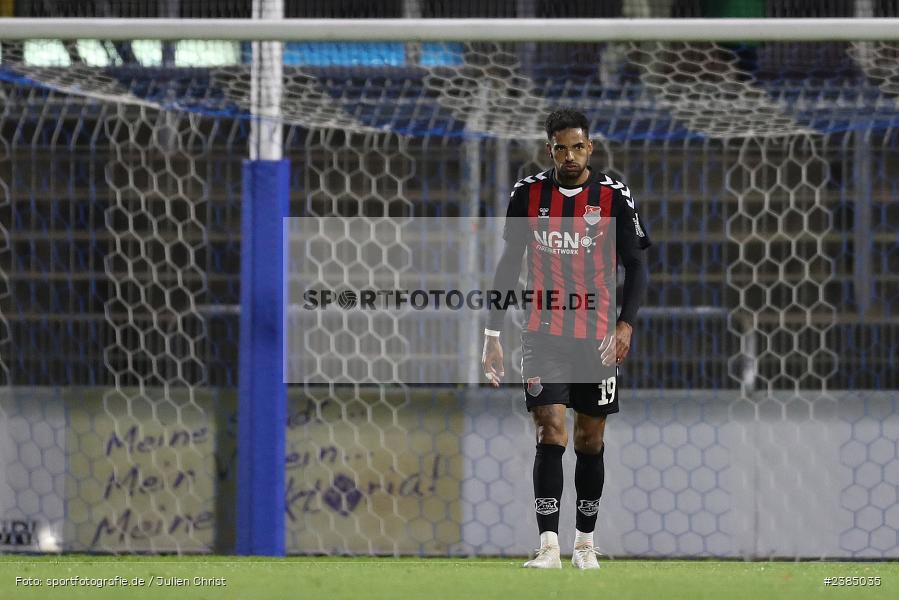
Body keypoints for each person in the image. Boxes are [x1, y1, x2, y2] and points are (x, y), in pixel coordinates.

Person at [482, 109, 650, 569]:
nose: (570, 155)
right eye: (561, 147)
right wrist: (492, 333)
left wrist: (624, 323)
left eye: (578, 147)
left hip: (596, 338)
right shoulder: (527, 194)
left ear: (590, 148)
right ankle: (549, 546)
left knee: (589, 440)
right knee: (549, 432)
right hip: (542, 333)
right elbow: (507, 263)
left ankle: (585, 544)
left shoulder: (613, 196)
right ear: (549, 148)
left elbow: (636, 266)